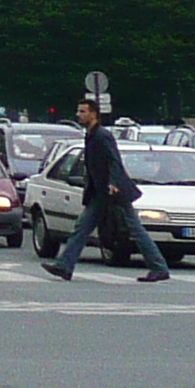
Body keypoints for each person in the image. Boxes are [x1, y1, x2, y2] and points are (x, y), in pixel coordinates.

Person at [45, 95, 169, 283]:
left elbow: (114, 161)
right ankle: (64, 266)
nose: (78, 115)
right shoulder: (91, 134)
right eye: (79, 111)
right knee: (82, 228)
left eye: (83, 111)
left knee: (134, 229)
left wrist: (113, 183)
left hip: (114, 193)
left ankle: (159, 268)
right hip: (100, 194)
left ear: (94, 114)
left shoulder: (102, 135)